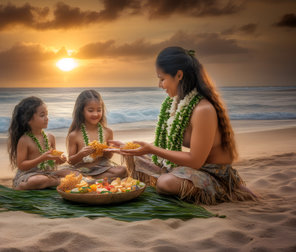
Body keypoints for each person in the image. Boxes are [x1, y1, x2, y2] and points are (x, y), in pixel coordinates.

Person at [109, 46, 256, 204]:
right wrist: (129, 147)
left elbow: (195, 161)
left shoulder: (203, 110)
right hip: (193, 168)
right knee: (137, 158)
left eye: (162, 78)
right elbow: (163, 146)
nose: (160, 85)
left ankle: (228, 190)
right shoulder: (177, 104)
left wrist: (151, 149)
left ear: (179, 75)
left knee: (165, 183)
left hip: (213, 174)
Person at [8, 96, 70, 190]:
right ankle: (58, 182)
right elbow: (21, 165)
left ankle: (52, 182)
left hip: (48, 173)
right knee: (37, 180)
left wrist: (60, 160)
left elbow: (54, 161)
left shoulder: (50, 137)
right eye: (42, 115)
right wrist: (41, 158)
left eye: (47, 115)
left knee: (73, 172)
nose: (47, 118)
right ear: (28, 120)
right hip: (29, 175)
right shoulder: (25, 140)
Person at [65, 90, 127, 180]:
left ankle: (90, 179)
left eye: (99, 110)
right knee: (73, 175)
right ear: (82, 111)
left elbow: (108, 157)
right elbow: (71, 161)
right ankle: (92, 179)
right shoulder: (74, 135)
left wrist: (108, 151)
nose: (95, 114)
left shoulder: (108, 132)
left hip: (102, 168)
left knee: (122, 170)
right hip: (82, 169)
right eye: (90, 110)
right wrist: (81, 154)